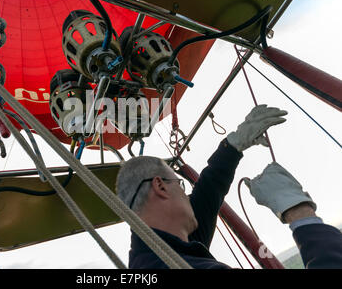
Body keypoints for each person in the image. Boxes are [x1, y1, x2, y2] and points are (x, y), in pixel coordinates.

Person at [116, 104, 342, 269]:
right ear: (160, 187)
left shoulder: (159, 252)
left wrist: (232, 146)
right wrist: (299, 212)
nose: (187, 196)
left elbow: (207, 193)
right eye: (181, 186)